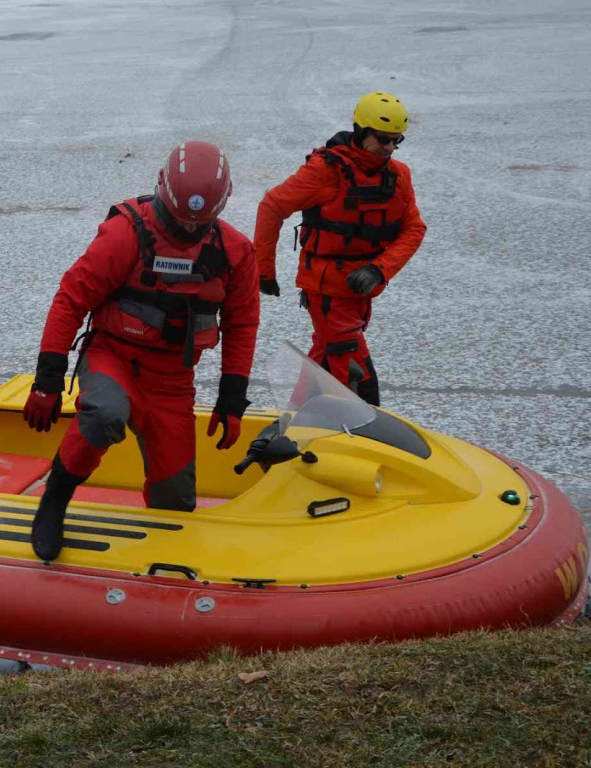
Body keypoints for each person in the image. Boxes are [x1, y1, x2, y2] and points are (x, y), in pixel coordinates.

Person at [22, 141, 260, 562]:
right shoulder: (125, 234)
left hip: (172, 380)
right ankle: (54, 501)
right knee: (105, 412)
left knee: (175, 496)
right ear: (162, 191)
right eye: (179, 221)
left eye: (198, 224)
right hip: (114, 357)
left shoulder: (235, 253)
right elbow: (70, 301)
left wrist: (232, 398)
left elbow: (242, 325)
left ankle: (166, 564)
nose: (188, 231)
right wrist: (47, 382)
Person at [253, 91, 427, 405]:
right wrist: (263, 271)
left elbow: (414, 229)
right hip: (326, 291)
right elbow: (272, 207)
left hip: (361, 290)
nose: (388, 148)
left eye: (395, 141)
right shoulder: (325, 171)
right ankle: (372, 435)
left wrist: (380, 269)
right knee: (353, 367)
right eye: (381, 139)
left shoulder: (398, 176)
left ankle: (297, 422)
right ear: (361, 133)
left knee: (324, 359)